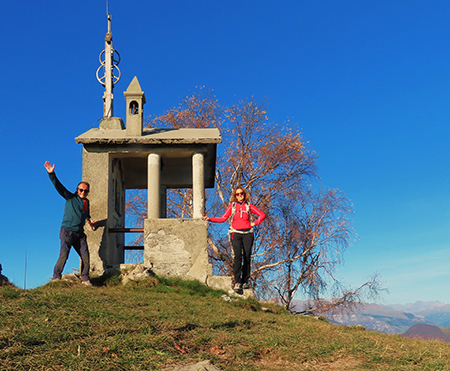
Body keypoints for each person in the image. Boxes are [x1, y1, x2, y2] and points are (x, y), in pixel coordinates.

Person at [203, 186, 266, 293]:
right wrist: (209, 218)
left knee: (247, 257)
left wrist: (254, 223)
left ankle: (245, 281)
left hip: (248, 234)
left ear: (244, 194)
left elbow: (262, 215)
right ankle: (237, 281)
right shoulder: (232, 206)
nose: (240, 195)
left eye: (241, 193)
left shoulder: (248, 206)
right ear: (235, 196)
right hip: (235, 233)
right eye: (237, 194)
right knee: (237, 256)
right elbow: (223, 218)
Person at [44, 161, 97, 286]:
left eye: (86, 191)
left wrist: (90, 223)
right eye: (81, 190)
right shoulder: (70, 198)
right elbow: (59, 187)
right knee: (64, 254)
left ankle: (85, 279)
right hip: (67, 231)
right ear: (77, 190)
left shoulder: (86, 202)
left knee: (86, 256)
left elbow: (86, 214)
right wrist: (52, 174)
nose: (83, 193)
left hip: (80, 234)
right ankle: (56, 277)